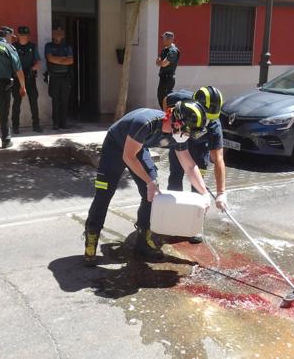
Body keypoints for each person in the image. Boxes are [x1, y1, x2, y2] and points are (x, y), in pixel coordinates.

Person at [83, 101, 212, 267]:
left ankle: (143, 241)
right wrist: (149, 182)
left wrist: (204, 193)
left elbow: (188, 164)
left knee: (151, 195)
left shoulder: (179, 133)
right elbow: (129, 156)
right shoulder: (145, 123)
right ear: (177, 121)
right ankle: (91, 237)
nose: (187, 136)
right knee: (104, 193)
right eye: (188, 131)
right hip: (116, 146)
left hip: (138, 147)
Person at [164, 86, 227, 244]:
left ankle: (195, 225)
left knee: (198, 188)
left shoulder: (213, 126)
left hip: (199, 149)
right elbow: (166, 100)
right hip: (179, 141)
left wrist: (221, 192)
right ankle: (174, 220)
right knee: (175, 179)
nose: (208, 120)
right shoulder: (180, 98)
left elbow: (218, 159)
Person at [11, 26, 42, 134]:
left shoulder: (32, 46)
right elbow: (9, 62)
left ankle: (36, 125)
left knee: (34, 102)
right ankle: (15, 126)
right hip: (17, 80)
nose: (23, 37)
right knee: (16, 103)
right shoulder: (13, 47)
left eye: (26, 35)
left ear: (28, 36)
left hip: (30, 78)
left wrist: (31, 69)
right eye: (21, 35)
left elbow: (38, 63)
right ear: (18, 35)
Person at [44, 26, 73, 130]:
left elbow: (70, 61)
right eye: (56, 32)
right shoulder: (49, 46)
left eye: (61, 32)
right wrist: (63, 58)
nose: (59, 34)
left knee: (64, 101)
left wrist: (57, 59)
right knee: (55, 101)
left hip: (65, 77)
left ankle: (63, 123)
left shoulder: (67, 47)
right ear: (53, 34)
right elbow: (50, 58)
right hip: (54, 77)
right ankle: (55, 123)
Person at [156, 31, 180, 109]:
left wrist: (161, 62)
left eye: (165, 39)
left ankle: (168, 117)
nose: (163, 40)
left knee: (166, 100)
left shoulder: (173, 51)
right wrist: (160, 61)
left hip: (168, 79)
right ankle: (165, 115)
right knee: (160, 97)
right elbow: (157, 62)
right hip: (163, 78)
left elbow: (163, 64)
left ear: (170, 40)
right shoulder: (165, 50)